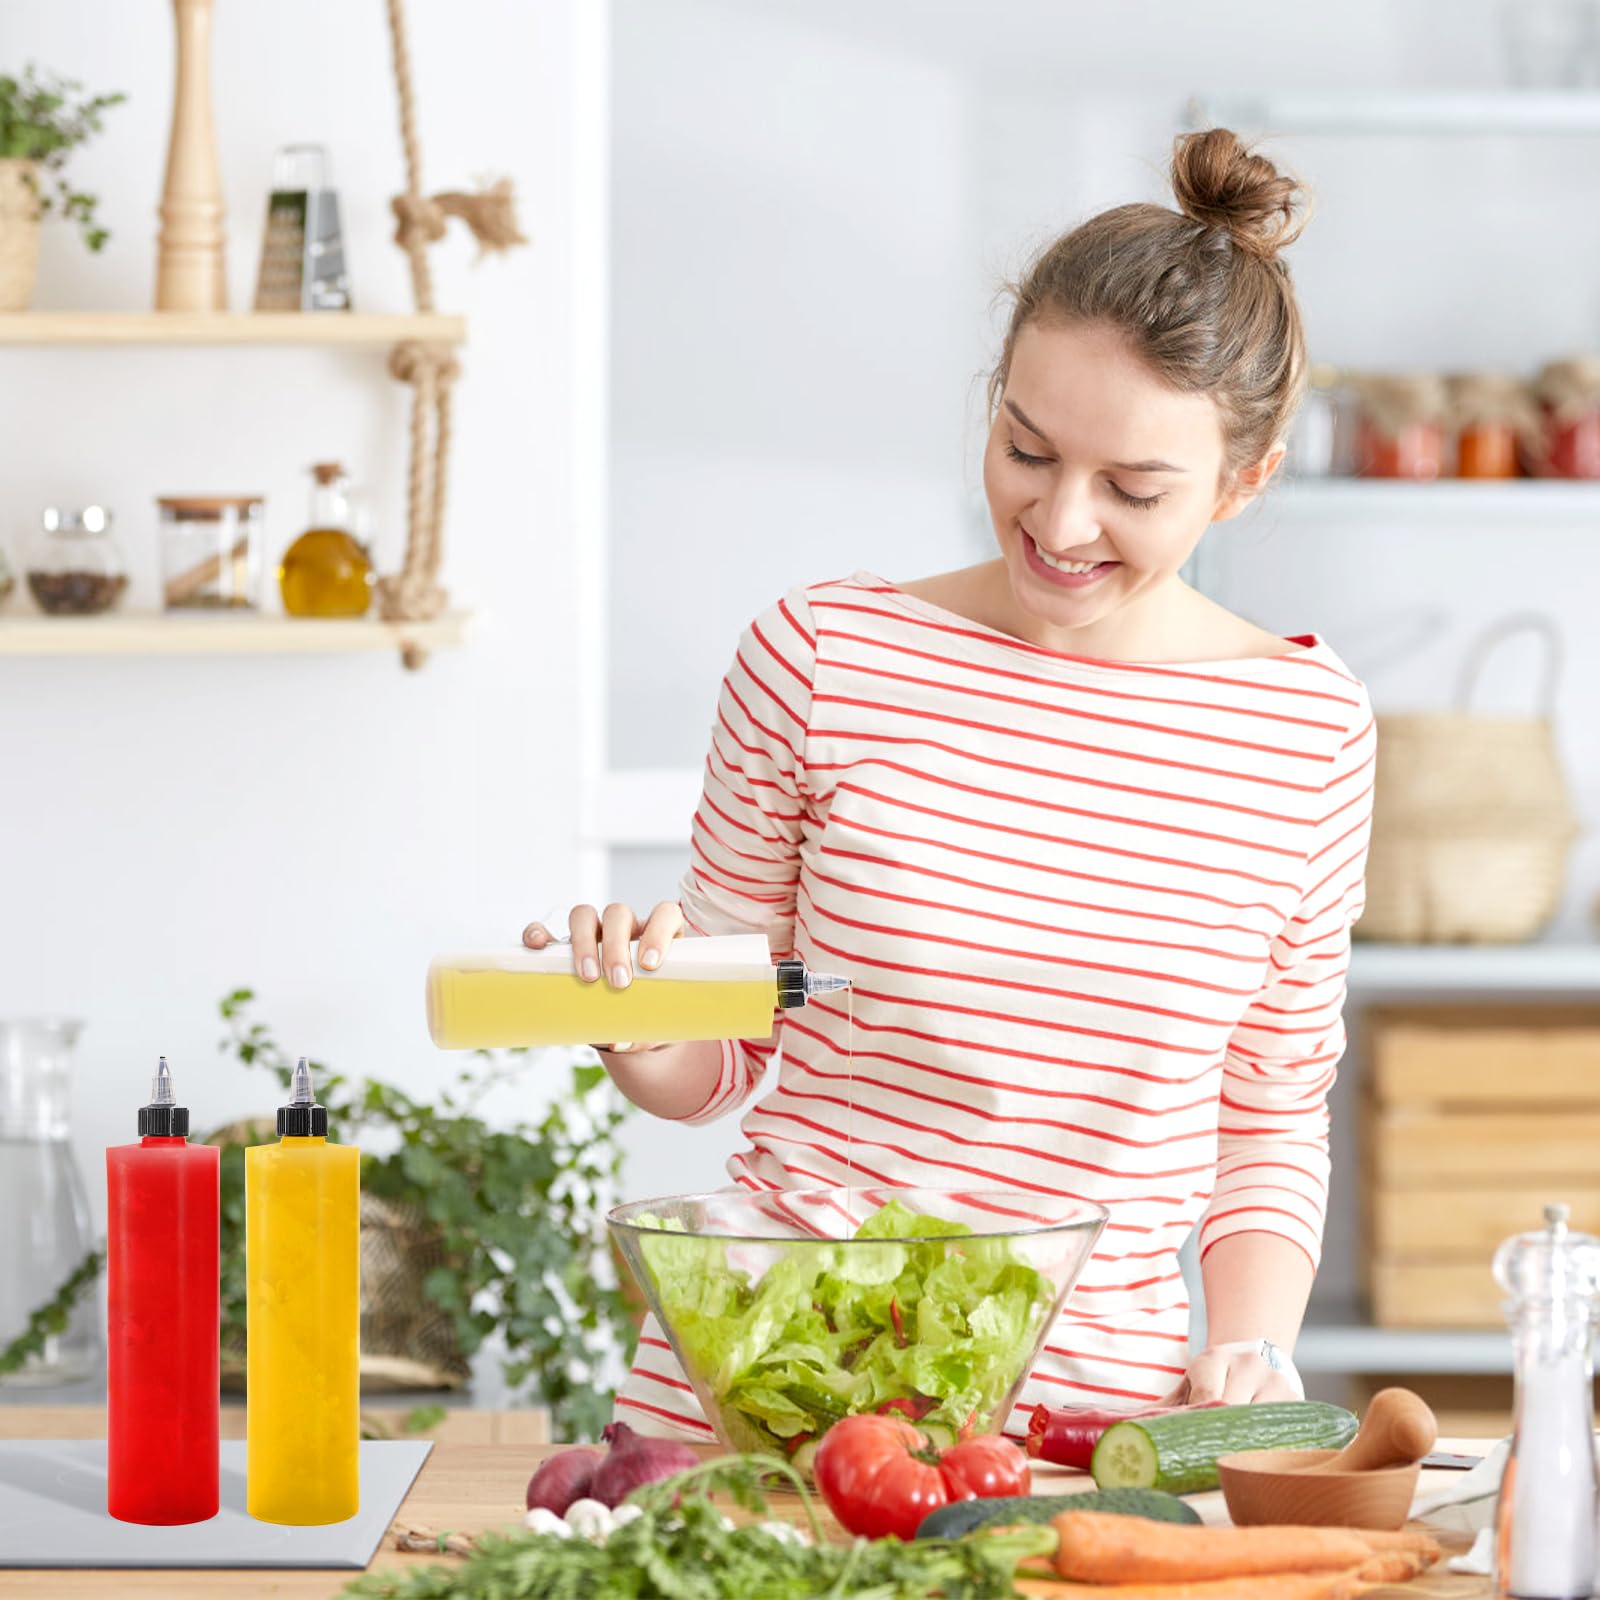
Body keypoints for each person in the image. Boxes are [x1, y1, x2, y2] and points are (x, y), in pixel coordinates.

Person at [525, 127, 1375, 1439]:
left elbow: (1270, 1110)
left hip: (1083, 1434)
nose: (1062, 523)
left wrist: (1253, 1347)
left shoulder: (1307, 731)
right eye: (1027, 450)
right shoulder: (820, 659)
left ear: (1244, 482)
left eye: (1134, 487)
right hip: (768, 1379)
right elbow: (727, 1055)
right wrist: (639, 1025)